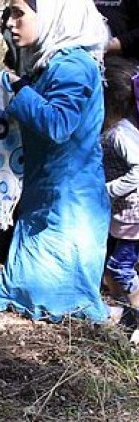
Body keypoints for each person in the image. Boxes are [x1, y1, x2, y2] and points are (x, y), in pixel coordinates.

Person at [0, 0, 111, 322]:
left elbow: (59, 125)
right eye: (9, 14)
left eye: (19, 13)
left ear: (55, 15)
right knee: (31, 282)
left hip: (69, 198)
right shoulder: (49, 60)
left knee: (58, 294)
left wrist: (16, 92)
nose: (11, 23)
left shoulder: (72, 65)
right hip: (49, 187)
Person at [101, 55, 139, 308]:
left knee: (120, 268)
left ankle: (135, 311)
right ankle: (121, 306)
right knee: (113, 268)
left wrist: (106, 191)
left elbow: (137, 170)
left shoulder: (119, 134)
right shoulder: (128, 128)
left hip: (132, 215)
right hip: (124, 215)